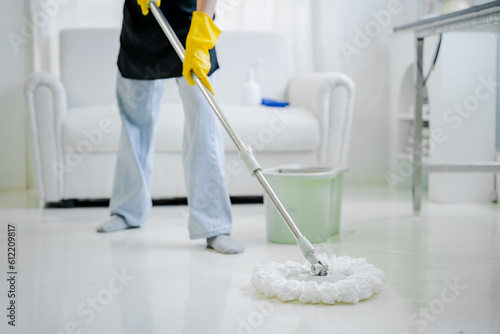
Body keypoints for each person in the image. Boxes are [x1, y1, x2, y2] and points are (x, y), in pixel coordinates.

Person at [96, 0, 244, 255]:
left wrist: (200, 37)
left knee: (203, 123)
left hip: (191, 25)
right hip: (141, 28)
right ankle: (128, 211)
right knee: (134, 122)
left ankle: (213, 225)